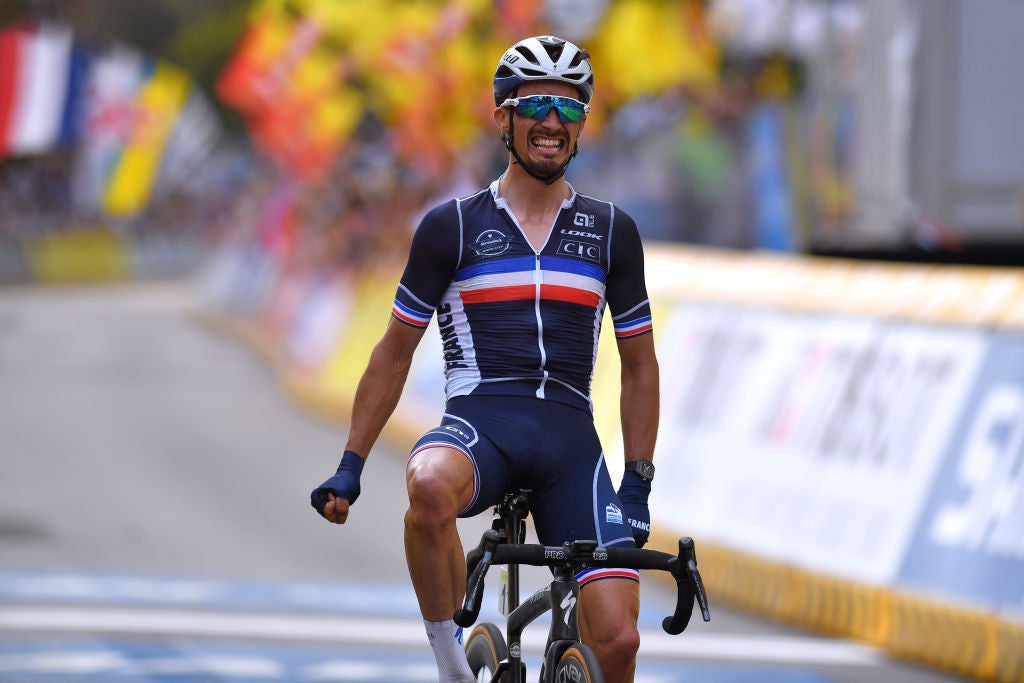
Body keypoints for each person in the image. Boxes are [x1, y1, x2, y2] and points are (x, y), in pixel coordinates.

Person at [311, 35, 659, 683]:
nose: (553, 121)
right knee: (428, 484)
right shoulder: (452, 226)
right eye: (537, 105)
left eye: (569, 107)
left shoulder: (613, 231)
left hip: (571, 449)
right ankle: (453, 670)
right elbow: (394, 351)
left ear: (583, 123)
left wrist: (636, 480)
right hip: (480, 430)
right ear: (503, 116)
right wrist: (350, 464)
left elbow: (640, 365)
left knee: (618, 641)